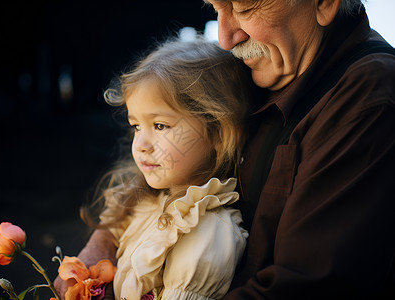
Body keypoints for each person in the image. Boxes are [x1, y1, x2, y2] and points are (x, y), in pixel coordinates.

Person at [55, 0, 395, 299]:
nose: (225, 38)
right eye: (216, 9)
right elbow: (167, 164)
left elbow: (305, 286)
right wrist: (105, 241)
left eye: (245, 7)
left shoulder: (367, 99)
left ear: (323, 2)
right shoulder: (269, 61)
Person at [58, 38, 254, 299]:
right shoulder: (151, 199)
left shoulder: (206, 235)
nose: (140, 145)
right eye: (137, 126)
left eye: (160, 126)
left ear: (219, 132)